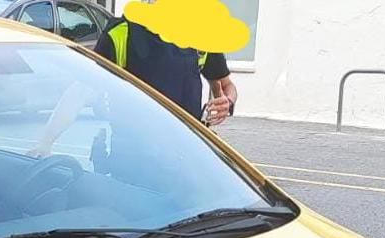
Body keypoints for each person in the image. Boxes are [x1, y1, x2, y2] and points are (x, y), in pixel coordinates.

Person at [29, 2, 237, 159]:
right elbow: (81, 90)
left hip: (187, 155)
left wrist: (227, 102)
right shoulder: (122, 34)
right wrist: (45, 143)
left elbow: (226, 85)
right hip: (133, 158)